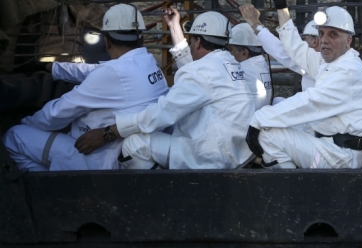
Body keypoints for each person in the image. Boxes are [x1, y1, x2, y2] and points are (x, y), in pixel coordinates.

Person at [75, 10, 256, 170]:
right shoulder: (231, 64)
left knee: (134, 144)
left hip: (212, 157)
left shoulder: (200, 72)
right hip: (236, 151)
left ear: (198, 42)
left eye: (191, 40)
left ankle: (166, 195)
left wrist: (110, 132)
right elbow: (195, 72)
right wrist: (174, 26)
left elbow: (163, 113)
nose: (190, 44)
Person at [3, 4, 168, 171]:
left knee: (15, 136)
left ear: (106, 42)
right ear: (142, 38)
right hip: (128, 153)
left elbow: (59, 112)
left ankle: (44, 188)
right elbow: (96, 71)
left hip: (97, 159)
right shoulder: (148, 64)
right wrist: (51, 68)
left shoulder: (113, 73)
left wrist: (26, 122)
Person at [245, 0, 362, 169]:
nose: (324, 40)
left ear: (348, 41)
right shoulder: (330, 61)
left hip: (342, 157)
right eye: (321, 34)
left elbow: (311, 102)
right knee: (277, 124)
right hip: (331, 144)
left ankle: (292, 193)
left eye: (333, 34)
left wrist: (259, 119)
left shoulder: (347, 70)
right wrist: (282, 7)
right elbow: (295, 49)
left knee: (267, 135)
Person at [239, 4, 319, 96]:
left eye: (305, 39)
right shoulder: (328, 62)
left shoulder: (317, 63)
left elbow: (281, 51)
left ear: (314, 42)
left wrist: (255, 23)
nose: (302, 42)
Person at [228, 23, 273, 109]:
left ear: (244, 53)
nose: (228, 54)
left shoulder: (240, 71)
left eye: (230, 50)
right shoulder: (262, 66)